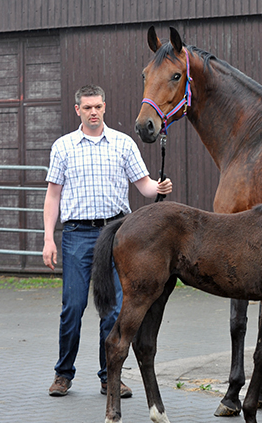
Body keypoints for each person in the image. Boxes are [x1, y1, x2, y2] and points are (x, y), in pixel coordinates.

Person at [43, 84, 172, 397]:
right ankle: (63, 374)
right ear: (78, 110)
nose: (93, 112)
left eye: (98, 106)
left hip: (116, 235)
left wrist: (160, 187)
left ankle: (108, 376)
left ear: (104, 106)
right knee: (73, 307)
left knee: (113, 310)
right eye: (87, 107)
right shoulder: (63, 147)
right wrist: (49, 238)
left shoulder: (123, 144)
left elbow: (143, 187)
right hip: (76, 235)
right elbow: (53, 195)